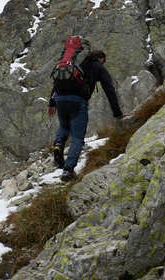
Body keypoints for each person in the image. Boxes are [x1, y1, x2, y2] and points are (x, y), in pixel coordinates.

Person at [47, 50, 126, 183]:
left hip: (60, 99)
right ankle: (68, 171)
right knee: (77, 137)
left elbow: (58, 82)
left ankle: (59, 144)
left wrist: (52, 102)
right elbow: (109, 89)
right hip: (78, 102)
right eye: (103, 61)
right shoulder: (98, 66)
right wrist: (117, 113)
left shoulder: (74, 64)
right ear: (101, 58)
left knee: (64, 125)